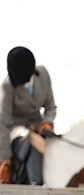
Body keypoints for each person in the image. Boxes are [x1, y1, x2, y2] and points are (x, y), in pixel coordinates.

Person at [0, 46, 56, 186]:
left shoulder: (43, 74)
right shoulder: (7, 86)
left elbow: (50, 106)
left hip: (37, 126)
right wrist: (5, 160)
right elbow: (3, 123)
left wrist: (47, 123)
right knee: (31, 139)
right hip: (15, 130)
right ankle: (34, 184)